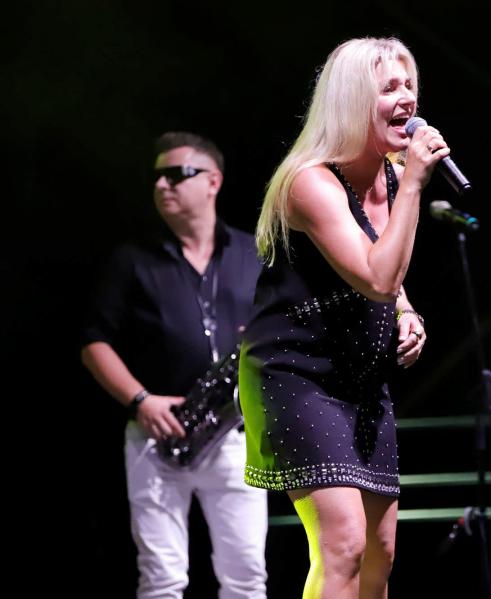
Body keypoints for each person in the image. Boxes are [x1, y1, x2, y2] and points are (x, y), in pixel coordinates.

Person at [239, 37, 445, 598]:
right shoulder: (309, 182)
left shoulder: (393, 177)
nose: (407, 98)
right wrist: (415, 183)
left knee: (380, 554)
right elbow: (376, 277)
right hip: (297, 375)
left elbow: (386, 272)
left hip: (361, 379)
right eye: (389, 88)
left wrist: (406, 310)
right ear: (352, 100)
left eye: (409, 85)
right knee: (344, 545)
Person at [81, 132, 268, 598]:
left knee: (247, 578)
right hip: (156, 434)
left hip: (235, 434)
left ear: (213, 182)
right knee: (161, 579)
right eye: (157, 177)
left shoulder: (253, 253)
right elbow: (93, 342)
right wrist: (141, 400)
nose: (161, 185)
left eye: (176, 174)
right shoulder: (132, 260)